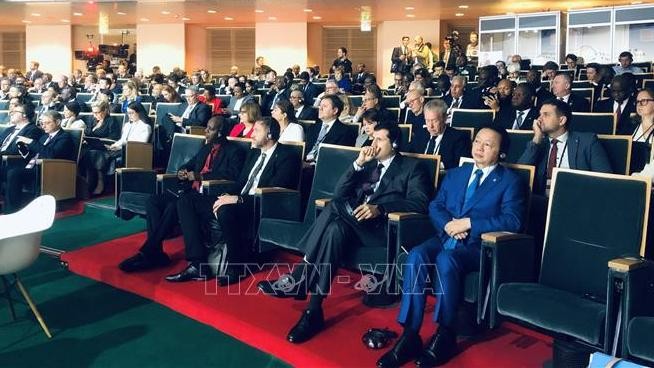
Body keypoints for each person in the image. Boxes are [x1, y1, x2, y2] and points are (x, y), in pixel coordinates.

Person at [258, 122, 432, 344]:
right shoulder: (368, 165)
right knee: (334, 229)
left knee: (335, 207)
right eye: (372, 139)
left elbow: (420, 202)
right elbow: (339, 193)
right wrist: (358, 163)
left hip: (383, 231)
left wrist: (380, 208)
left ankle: (300, 274)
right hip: (353, 226)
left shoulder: (411, 167)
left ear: (394, 143)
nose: (373, 144)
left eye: (379, 139)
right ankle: (313, 310)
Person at [376, 125, 528, 368]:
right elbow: (435, 206)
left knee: (447, 260)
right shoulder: (457, 173)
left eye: (488, 144)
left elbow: (513, 220)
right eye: (477, 141)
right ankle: (410, 334)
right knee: (416, 255)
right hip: (445, 237)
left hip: (478, 246)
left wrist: (469, 223)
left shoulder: (510, 181)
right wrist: (447, 225)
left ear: (502, 153)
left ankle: (445, 333)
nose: (479, 147)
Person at [166, 117, 301, 283]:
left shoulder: (288, 157)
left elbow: (275, 194)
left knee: (225, 210)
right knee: (186, 200)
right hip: (239, 199)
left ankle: (235, 267)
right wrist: (226, 196)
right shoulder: (254, 153)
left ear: (270, 134)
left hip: (258, 205)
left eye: (257, 131)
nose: (252, 134)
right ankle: (197, 264)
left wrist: (237, 199)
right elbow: (240, 183)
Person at [118, 116, 245, 273]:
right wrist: (182, 172)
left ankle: (149, 252)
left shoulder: (234, 151)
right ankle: (156, 253)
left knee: (174, 206)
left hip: (207, 195)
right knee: (153, 201)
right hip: (189, 191)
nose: (205, 131)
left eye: (210, 129)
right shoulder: (206, 148)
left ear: (219, 133)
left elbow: (231, 175)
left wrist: (199, 177)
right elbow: (189, 164)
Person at [518, 98, 612, 196]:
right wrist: (537, 138)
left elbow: (604, 178)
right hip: (541, 200)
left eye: (546, 115)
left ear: (562, 120)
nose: (539, 119)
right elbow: (521, 173)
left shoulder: (588, 141)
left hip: (576, 198)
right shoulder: (537, 143)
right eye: (540, 114)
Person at [4, 110, 75, 213]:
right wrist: (24, 150)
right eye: (42, 123)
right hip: (33, 166)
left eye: (47, 123)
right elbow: (33, 156)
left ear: (58, 122)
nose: (44, 126)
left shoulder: (64, 137)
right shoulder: (44, 137)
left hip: (48, 170)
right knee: (3, 170)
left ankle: (11, 210)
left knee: (14, 173)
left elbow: (51, 155)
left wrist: (31, 142)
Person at [408, 99, 471, 169]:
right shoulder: (420, 134)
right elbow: (408, 155)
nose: (431, 126)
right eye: (427, 121)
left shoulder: (459, 138)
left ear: (445, 118)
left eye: (434, 121)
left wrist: (438, 166)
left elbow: (460, 166)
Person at [304, 95, 357, 163]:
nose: (320, 108)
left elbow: (338, 159)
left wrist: (312, 165)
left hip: (323, 167)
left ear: (335, 110)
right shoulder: (312, 127)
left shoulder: (346, 132)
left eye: (324, 106)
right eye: (320, 105)